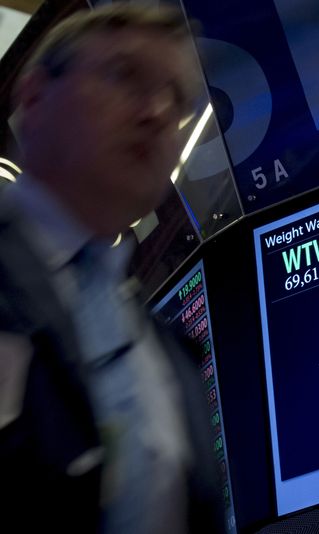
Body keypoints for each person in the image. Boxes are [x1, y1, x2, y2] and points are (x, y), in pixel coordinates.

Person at [0, 4, 224, 533]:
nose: (156, 112)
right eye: (124, 75)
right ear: (33, 96)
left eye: (178, 100)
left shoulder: (173, 359)